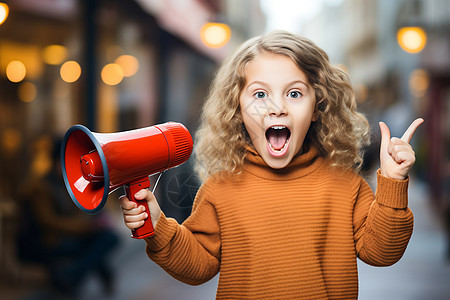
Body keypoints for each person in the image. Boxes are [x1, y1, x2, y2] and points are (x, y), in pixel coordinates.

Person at [119, 31, 423, 299]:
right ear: (237, 109)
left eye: (293, 93)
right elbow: (198, 265)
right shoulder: (221, 188)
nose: (277, 107)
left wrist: (392, 184)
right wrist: (156, 226)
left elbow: (381, 252)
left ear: (318, 107)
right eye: (260, 94)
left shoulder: (346, 185)